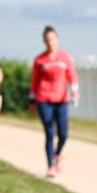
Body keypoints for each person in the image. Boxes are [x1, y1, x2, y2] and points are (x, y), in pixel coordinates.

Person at [29, 26, 79, 178]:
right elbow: (34, 82)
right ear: (44, 41)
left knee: (63, 133)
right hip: (44, 99)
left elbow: (72, 75)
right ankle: (50, 166)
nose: (51, 42)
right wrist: (32, 101)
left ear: (57, 39)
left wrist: (75, 90)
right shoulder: (40, 60)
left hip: (62, 99)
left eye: (53, 39)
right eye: (48, 40)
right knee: (50, 132)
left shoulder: (65, 57)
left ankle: (58, 154)